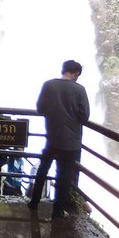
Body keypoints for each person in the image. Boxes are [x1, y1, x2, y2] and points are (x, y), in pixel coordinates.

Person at [28, 60, 90, 219]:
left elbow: (40, 108)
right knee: (63, 175)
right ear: (76, 73)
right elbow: (84, 116)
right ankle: (57, 211)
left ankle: (34, 202)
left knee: (43, 169)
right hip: (71, 142)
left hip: (52, 137)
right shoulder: (79, 89)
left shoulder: (48, 85)